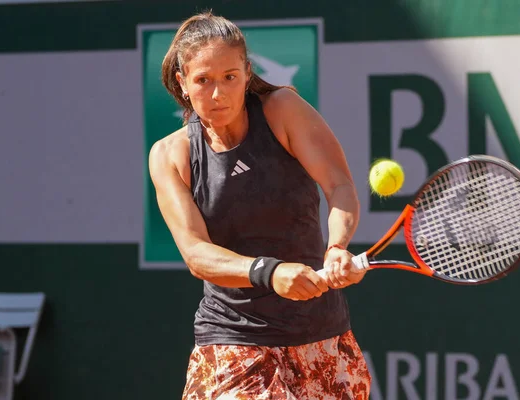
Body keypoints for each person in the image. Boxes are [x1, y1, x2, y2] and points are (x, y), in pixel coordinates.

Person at [149, 10, 371, 400]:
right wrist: (268, 272)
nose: (218, 94)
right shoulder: (170, 154)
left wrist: (336, 246)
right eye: (203, 81)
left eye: (230, 78)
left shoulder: (283, 109)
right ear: (183, 84)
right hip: (231, 339)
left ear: (247, 73)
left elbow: (339, 186)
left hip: (321, 335)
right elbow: (196, 254)